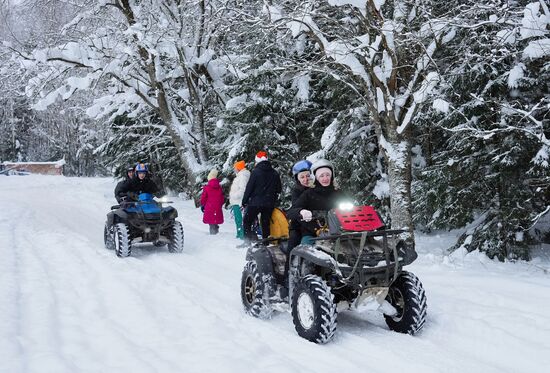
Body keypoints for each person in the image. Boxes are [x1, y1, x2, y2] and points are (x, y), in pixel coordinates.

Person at [288, 159, 344, 244]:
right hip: (312, 231)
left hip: (339, 230)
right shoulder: (308, 193)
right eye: (321, 176)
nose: (325, 178)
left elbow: (351, 208)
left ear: (332, 176)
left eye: (327, 175)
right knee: (303, 247)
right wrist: (302, 212)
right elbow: (291, 211)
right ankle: (291, 257)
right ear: (316, 177)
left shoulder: (338, 192)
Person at [241, 150, 282, 241]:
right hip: (269, 203)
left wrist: (244, 201)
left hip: (255, 203)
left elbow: (249, 188)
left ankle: (247, 241)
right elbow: (279, 189)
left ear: (257, 161)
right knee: (265, 223)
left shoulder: (256, 172)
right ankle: (266, 241)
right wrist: (273, 199)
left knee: (247, 221)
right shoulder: (274, 173)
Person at [287, 159, 313, 252]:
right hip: (299, 225)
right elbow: (295, 208)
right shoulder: (297, 191)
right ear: (297, 178)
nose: (306, 179)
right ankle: (289, 265)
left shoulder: (318, 188)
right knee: (294, 240)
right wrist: (302, 212)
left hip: (317, 225)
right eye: (302, 177)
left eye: (308, 176)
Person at [228, 160, 250, 239]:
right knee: (238, 219)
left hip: (239, 201)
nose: (234, 169)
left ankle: (242, 235)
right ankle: (239, 234)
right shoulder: (240, 176)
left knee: (239, 219)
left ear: (239, 168)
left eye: (235, 168)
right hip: (236, 201)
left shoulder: (242, 176)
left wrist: (234, 196)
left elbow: (243, 190)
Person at [200, 169, 225, 235]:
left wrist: (203, 205)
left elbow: (203, 198)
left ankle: (213, 234)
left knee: (211, 221)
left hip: (209, 207)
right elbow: (222, 198)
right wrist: (219, 204)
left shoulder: (207, 187)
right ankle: (216, 230)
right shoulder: (219, 187)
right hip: (217, 207)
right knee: (215, 219)